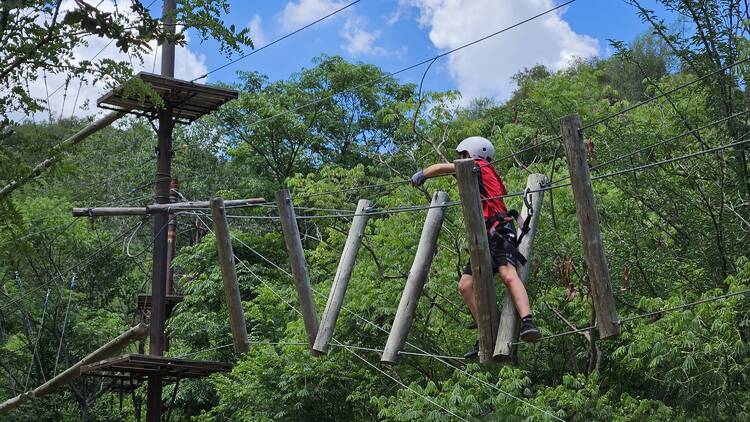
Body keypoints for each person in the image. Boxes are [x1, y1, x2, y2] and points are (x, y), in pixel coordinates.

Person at [411, 136, 541, 358]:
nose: (461, 159)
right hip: (482, 238)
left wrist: (422, 174)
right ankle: (485, 332)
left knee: (508, 275)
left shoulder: (477, 166)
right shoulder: (488, 172)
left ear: (470, 154)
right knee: (465, 285)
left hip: (498, 232)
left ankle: (528, 322)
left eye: (463, 155)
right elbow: (504, 189)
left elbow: (443, 167)